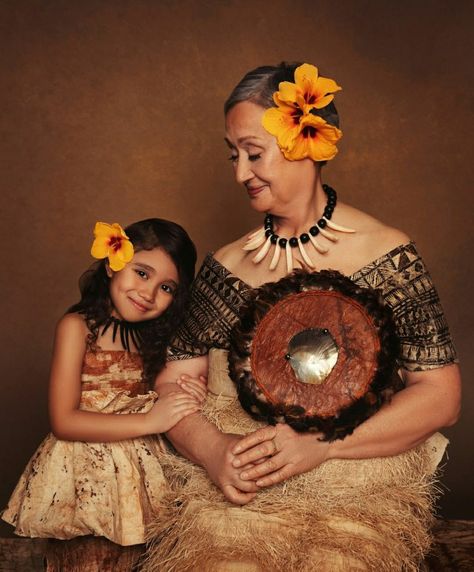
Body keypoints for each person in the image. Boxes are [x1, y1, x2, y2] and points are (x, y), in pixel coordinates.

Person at [145, 64, 461, 571]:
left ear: (305, 141)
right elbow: (173, 383)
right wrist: (212, 450)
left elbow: (441, 397)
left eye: (253, 153)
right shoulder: (225, 268)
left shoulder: (389, 255)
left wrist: (324, 446)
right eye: (233, 155)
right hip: (244, 487)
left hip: (358, 485)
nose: (239, 173)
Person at [1, 218, 207, 555]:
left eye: (167, 288)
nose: (149, 293)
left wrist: (189, 394)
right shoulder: (77, 327)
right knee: (84, 556)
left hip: (141, 475)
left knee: (144, 555)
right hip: (82, 475)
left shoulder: (157, 340)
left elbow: (165, 394)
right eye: (142, 273)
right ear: (114, 265)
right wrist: (149, 421)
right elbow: (64, 421)